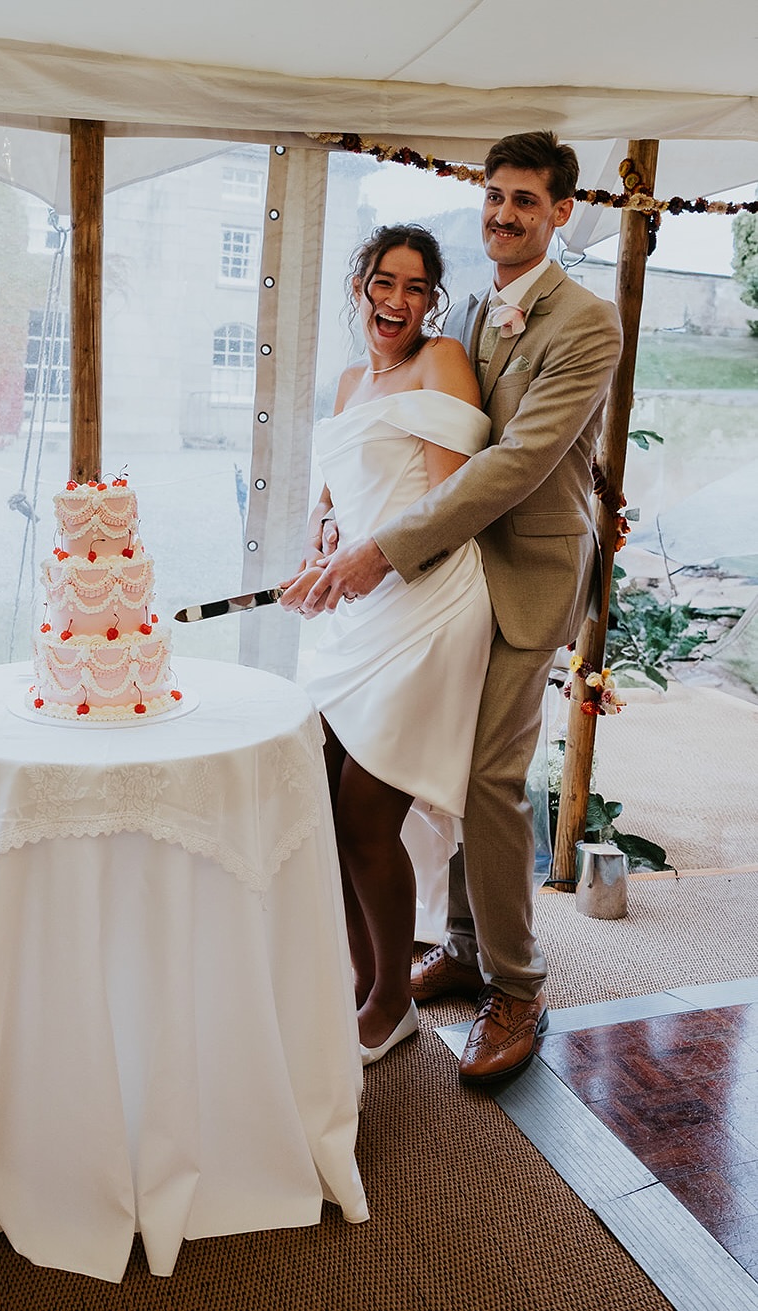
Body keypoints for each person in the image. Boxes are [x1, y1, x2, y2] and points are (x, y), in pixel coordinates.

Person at [296, 131, 623, 1085]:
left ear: (561, 212)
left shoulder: (586, 321)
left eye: (526, 200)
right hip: (449, 573)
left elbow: (516, 463)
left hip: (522, 576)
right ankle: (467, 947)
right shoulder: (476, 310)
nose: (504, 214)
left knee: (485, 778)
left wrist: (381, 550)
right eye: (494, 198)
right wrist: (336, 519)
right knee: (449, 768)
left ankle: (515, 987)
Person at [280, 224, 494, 1066]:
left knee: (369, 812)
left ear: (431, 299)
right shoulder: (347, 381)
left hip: (427, 604)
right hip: (354, 610)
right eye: (383, 282)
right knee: (323, 802)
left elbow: (447, 504)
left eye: (414, 287)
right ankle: (364, 983)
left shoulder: (442, 362)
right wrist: (319, 544)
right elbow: (335, 493)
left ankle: (389, 999)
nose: (396, 301)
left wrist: (367, 560)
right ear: (360, 284)